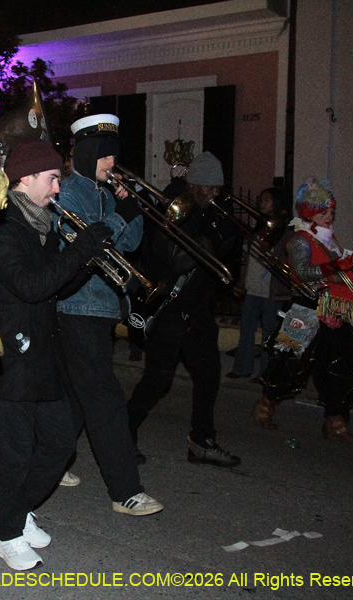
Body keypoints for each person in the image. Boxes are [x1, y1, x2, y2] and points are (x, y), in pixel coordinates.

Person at [0, 139, 112, 570]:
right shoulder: (2, 226)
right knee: (16, 449)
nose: (57, 189)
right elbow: (31, 285)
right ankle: (6, 534)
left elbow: (55, 289)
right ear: (27, 177)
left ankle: (13, 511)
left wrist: (88, 260)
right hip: (13, 354)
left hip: (44, 351)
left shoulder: (42, 225)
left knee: (59, 442)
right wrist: (79, 250)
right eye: (53, 179)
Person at [56, 114, 163, 514]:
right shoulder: (70, 192)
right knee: (104, 399)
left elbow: (130, 244)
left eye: (114, 154)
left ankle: (49, 461)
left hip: (103, 307)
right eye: (105, 154)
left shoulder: (105, 191)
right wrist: (119, 215)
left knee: (75, 399)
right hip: (76, 307)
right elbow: (91, 244)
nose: (111, 162)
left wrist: (130, 208)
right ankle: (125, 491)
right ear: (86, 153)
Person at [126, 151, 241, 467]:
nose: (214, 194)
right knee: (157, 381)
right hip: (171, 308)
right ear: (195, 185)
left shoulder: (211, 212)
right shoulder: (173, 210)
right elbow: (176, 259)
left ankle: (202, 441)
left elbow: (225, 257)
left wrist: (225, 228)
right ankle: (123, 431)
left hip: (198, 308)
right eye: (209, 188)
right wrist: (210, 234)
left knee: (209, 373)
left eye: (218, 188)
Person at [253, 177, 353, 442]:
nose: (330, 217)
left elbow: (338, 272)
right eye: (324, 212)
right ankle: (264, 406)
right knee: (288, 363)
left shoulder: (329, 240)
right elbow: (302, 272)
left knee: (339, 364)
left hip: (331, 310)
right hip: (304, 310)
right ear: (311, 214)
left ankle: (335, 423)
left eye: (331, 212)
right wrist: (336, 268)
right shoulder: (299, 240)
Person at [226, 188, 289, 381]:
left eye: (267, 200)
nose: (262, 203)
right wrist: (242, 282)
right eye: (261, 199)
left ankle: (266, 373)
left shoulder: (283, 230)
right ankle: (242, 367)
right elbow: (251, 258)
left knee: (269, 333)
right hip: (253, 285)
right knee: (247, 328)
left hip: (271, 288)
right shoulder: (257, 225)